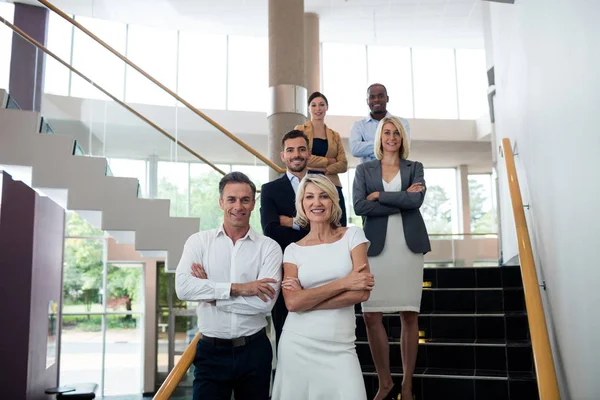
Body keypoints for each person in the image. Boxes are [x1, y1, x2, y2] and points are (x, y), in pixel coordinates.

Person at [175, 172, 283, 400]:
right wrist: (240, 288)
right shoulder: (199, 242)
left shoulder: (269, 248)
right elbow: (184, 288)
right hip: (210, 353)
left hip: (254, 350)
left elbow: (264, 305)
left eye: (245, 200)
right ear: (221, 202)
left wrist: (210, 294)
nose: (238, 206)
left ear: (253, 203)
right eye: (231, 199)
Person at [271, 174, 373, 400]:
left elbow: (362, 292)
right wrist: (344, 283)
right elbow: (293, 302)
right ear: (302, 204)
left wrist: (307, 299)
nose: (316, 203)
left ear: (333, 202)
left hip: (341, 346)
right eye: (309, 197)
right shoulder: (292, 251)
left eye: (323, 196)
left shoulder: (353, 235)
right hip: (298, 344)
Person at [352, 117, 430, 400]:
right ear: (379, 137)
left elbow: (416, 202)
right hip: (376, 248)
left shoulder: (415, 168)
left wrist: (380, 196)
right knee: (372, 314)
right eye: (387, 132)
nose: (392, 136)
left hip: (408, 247)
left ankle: (407, 384)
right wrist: (398, 200)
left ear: (402, 137)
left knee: (409, 314)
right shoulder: (364, 169)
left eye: (396, 132)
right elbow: (360, 206)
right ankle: (385, 382)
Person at [260, 129, 311, 346]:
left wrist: (290, 221)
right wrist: (311, 224)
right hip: (285, 272)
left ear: (309, 153)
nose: (296, 154)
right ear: (283, 156)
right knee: (285, 337)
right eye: (290, 150)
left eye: (301, 149)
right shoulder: (270, 190)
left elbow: (337, 227)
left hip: (322, 268)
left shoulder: (328, 187)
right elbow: (271, 231)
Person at [294, 91, 349, 226]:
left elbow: (343, 164)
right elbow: (302, 157)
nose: (318, 109)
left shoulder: (334, 135)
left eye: (321, 105)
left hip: (332, 183)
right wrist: (329, 161)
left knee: (338, 223)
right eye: (313, 105)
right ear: (308, 108)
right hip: (309, 182)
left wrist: (323, 169)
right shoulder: (300, 130)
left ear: (327, 107)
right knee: (310, 223)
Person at [350, 83, 411, 164]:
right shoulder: (359, 126)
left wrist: (367, 146)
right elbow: (355, 150)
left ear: (387, 98)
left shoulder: (402, 123)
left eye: (380, 96)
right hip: (368, 174)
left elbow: (403, 148)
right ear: (367, 101)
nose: (376, 100)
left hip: (395, 171)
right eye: (372, 97)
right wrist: (388, 144)